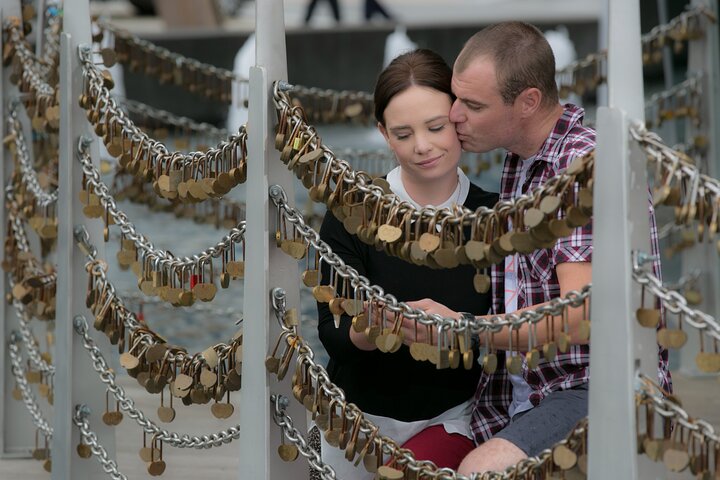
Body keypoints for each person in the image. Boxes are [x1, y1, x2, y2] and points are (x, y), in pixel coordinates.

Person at [405, 22, 671, 474]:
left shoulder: (582, 168)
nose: (455, 116)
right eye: (456, 99)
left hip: (593, 389)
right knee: (403, 463)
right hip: (519, 392)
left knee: (479, 472)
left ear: (527, 102)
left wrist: (461, 330)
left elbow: (576, 319)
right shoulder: (525, 158)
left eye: (473, 105)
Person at [316, 49, 498, 478]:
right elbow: (332, 334)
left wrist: (458, 327)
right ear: (382, 133)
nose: (422, 146)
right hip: (355, 422)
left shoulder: (497, 216)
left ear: (458, 115)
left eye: (435, 127)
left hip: (454, 417)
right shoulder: (351, 210)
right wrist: (374, 329)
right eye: (402, 133)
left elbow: (512, 335)